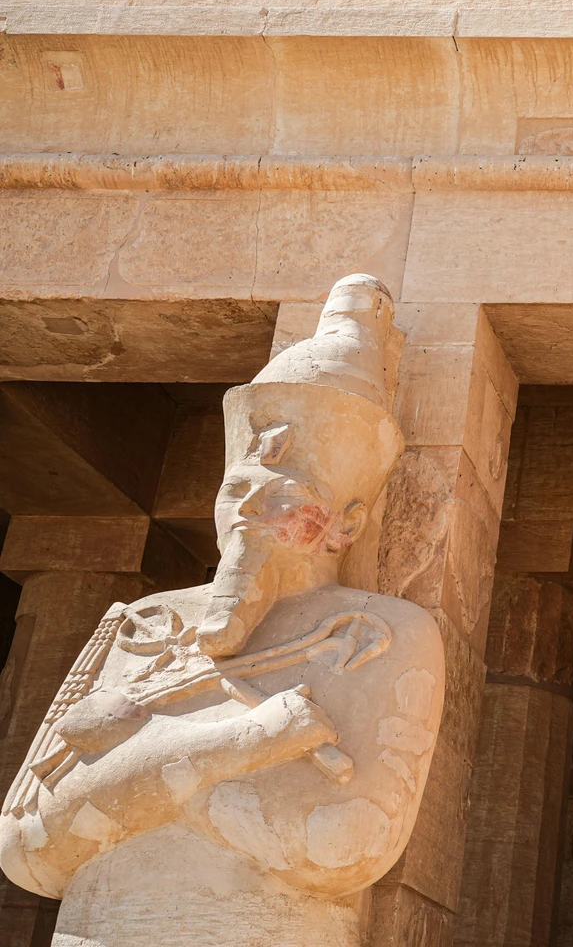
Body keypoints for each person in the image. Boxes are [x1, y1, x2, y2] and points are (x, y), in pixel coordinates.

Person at [0, 275, 445, 947]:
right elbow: (28, 843)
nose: (248, 511)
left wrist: (128, 780)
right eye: (237, 490)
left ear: (345, 525)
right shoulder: (146, 624)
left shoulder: (385, 631)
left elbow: (346, 846)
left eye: (286, 494)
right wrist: (242, 744)